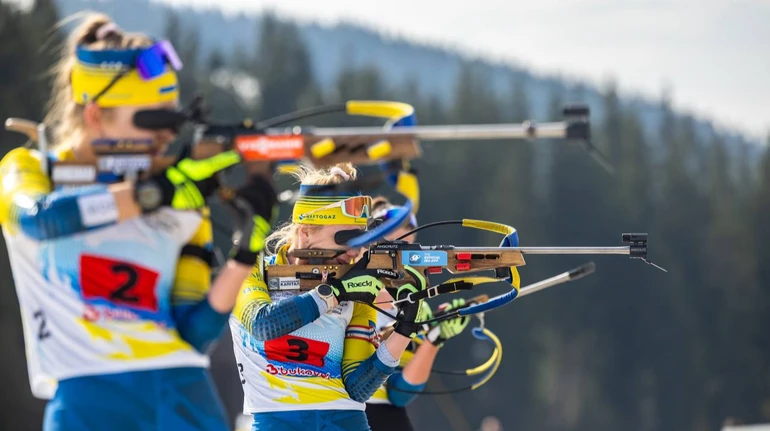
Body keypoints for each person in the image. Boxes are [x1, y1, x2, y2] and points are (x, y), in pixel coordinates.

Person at [0, 13, 277, 431]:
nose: (166, 137)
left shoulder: (180, 196)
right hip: (87, 401)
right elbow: (40, 220)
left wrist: (245, 252)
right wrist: (156, 193)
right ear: (95, 115)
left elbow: (195, 331)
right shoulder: (28, 168)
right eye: (152, 121)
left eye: (172, 120)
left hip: (182, 392)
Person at [230, 163, 428, 431]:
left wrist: (405, 329)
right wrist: (334, 293)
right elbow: (262, 325)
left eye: (361, 239)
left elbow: (358, 387)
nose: (354, 250)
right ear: (305, 233)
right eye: (345, 238)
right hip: (275, 421)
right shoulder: (256, 269)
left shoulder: (357, 285)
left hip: (345, 421)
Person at [364, 197, 471, 431]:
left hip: (381, 410)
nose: (400, 261)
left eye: (408, 249)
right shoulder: (351, 283)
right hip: (337, 404)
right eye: (391, 246)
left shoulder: (417, 306)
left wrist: (435, 339)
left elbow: (400, 393)